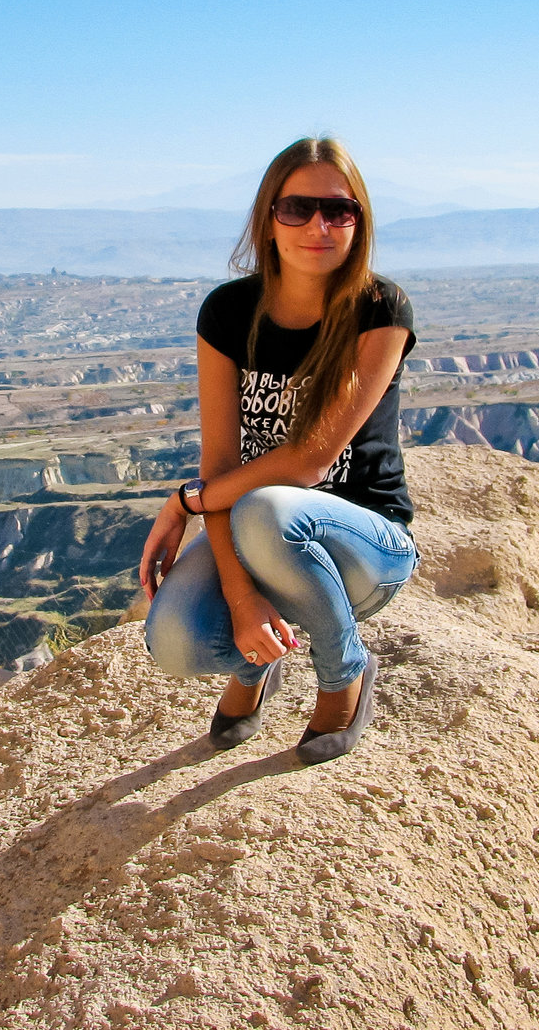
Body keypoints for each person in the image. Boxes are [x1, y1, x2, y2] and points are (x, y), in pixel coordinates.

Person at [138, 137, 420, 764]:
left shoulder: (380, 309)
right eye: (297, 209)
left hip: (367, 544)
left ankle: (345, 673)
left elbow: (309, 462)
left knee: (267, 507)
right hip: (256, 531)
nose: (319, 226)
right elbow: (220, 469)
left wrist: (184, 503)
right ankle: (259, 661)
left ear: (359, 222)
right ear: (268, 218)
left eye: (339, 210)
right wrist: (241, 601)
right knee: (176, 639)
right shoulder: (229, 313)